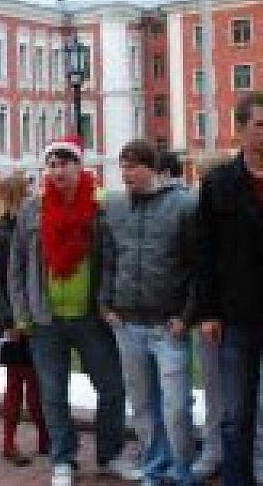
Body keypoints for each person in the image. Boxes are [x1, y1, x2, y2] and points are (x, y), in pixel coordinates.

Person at [9, 135, 139, 486]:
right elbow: (17, 264)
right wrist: (22, 312)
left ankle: (109, 454)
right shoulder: (32, 209)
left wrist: (108, 301)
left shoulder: (100, 206)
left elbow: (113, 258)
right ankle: (63, 459)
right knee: (53, 393)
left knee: (111, 387)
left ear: (80, 166)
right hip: (45, 319)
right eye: (51, 164)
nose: (57, 170)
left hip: (92, 317)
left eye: (65, 162)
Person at [99, 140, 198, 486]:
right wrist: (106, 303)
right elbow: (108, 260)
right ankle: (155, 469)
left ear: (152, 168)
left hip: (169, 326)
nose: (126, 173)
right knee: (143, 406)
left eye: (133, 166)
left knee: (175, 407)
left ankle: (182, 471)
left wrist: (186, 316)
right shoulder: (114, 207)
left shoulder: (185, 206)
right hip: (127, 324)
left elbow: (197, 268)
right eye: (122, 166)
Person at [195, 92, 263, 485]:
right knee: (236, 414)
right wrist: (207, 312)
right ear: (240, 129)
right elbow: (204, 253)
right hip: (236, 318)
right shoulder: (218, 183)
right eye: (260, 125)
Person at [156, 150, 222, 481]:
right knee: (214, 388)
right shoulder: (199, 216)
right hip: (211, 316)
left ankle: (218, 452)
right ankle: (214, 451)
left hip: (235, 315)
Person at [0, 173, 49, 466]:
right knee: (19, 382)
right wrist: (9, 322)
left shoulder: (24, 229)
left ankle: (44, 438)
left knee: (34, 382)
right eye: (28, 192)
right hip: (10, 321)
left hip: (28, 317)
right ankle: (10, 443)